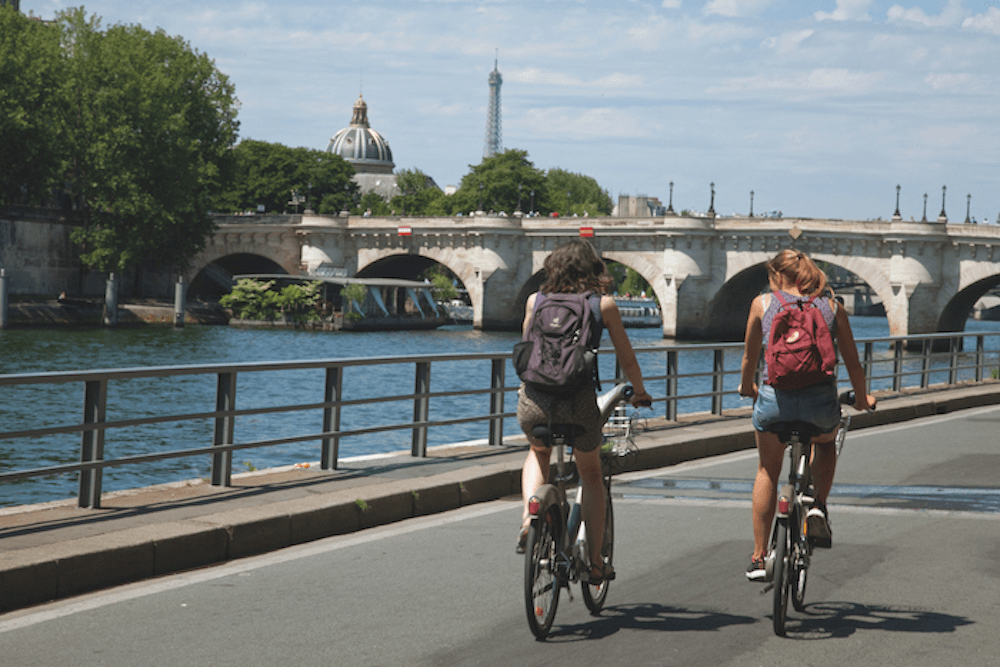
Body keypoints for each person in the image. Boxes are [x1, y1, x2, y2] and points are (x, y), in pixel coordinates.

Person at [516, 239, 652, 582]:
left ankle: (528, 518)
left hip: (535, 401)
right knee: (590, 474)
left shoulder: (536, 300)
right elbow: (627, 357)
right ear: (593, 270)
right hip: (577, 403)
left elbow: (527, 352)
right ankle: (594, 562)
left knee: (538, 451)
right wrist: (639, 391)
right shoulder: (601, 305)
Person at [738, 249, 877, 581]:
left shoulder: (763, 304)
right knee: (827, 442)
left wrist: (747, 388)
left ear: (777, 276)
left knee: (767, 471)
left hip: (775, 399)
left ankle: (759, 557)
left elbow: (749, 357)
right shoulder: (831, 307)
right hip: (819, 401)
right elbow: (853, 363)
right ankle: (817, 504)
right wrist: (862, 398)